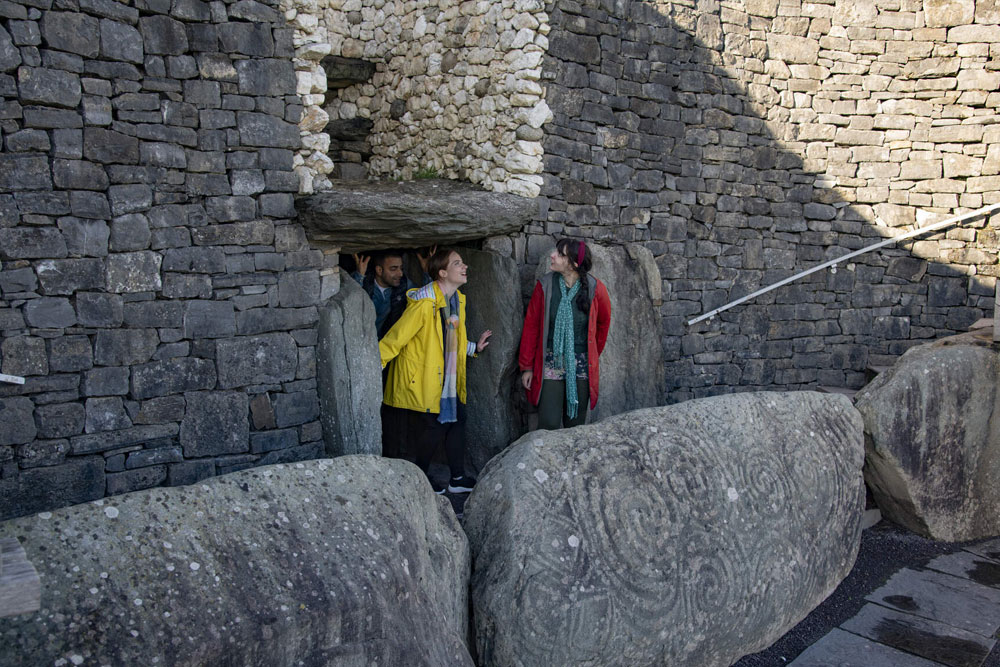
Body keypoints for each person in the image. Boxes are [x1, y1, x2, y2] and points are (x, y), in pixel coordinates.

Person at [379, 248, 492, 494]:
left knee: (457, 419)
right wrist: (376, 363)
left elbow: (453, 338)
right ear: (442, 273)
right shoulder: (424, 303)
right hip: (423, 375)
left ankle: (457, 478)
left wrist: (474, 347)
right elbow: (398, 337)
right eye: (457, 263)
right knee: (436, 425)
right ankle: (420, 477)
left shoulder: (455, 300)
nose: (465, 267)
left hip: (445, 375)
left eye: (463, 263)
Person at [518, 238, 611, 430]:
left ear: (574, 263)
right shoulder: (545, 286)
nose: (552, 255)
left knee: (575, 423)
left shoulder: (595, 288)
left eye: (560, 254)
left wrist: (592, 355)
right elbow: (531, 327)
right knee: (548, 422)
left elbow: (603, 323)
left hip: (582, 363)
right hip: (552, 360)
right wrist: (527, 367)